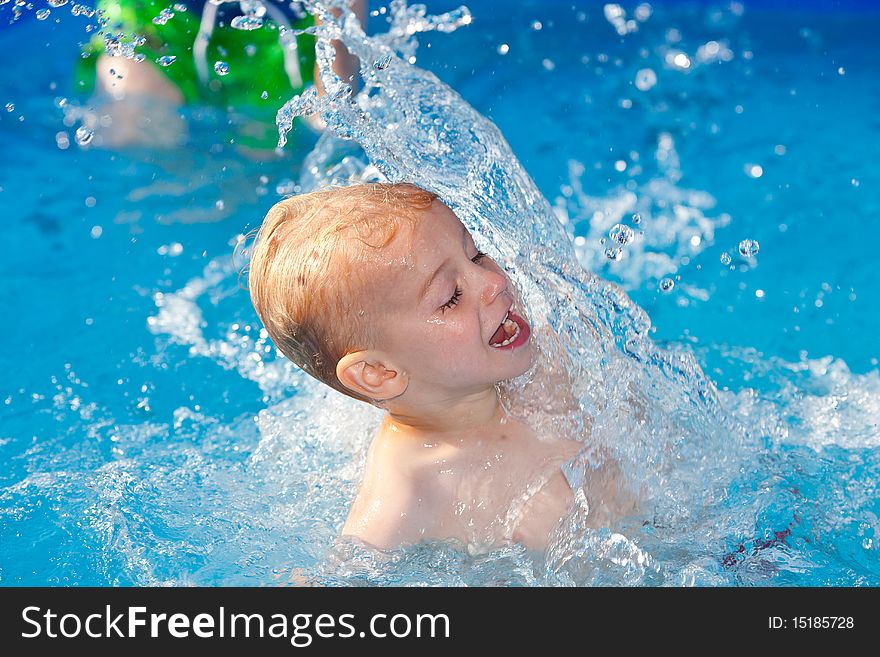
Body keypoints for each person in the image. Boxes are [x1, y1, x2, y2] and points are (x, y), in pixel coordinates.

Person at [244, 182, 638, 553]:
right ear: (380, 373)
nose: (492, 282)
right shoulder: (410, 493)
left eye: (475, 254)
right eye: (451, 297)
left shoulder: (535, 367)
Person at [75, 0, 365, 154]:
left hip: (281, 33)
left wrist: (332, 111)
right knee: (128, 123)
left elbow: (336, 87)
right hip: (165, 17)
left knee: (267, 148)